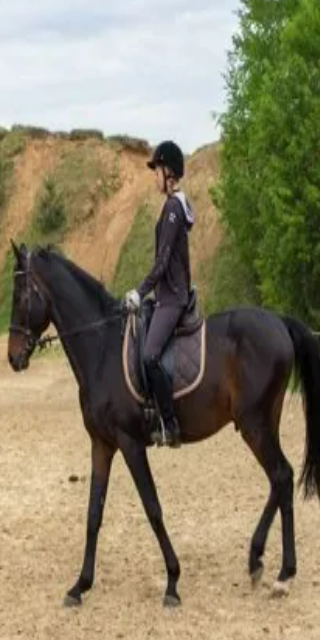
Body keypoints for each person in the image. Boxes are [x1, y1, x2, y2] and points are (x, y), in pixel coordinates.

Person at [124, 140, 195, 448]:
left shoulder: (172, 208)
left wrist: (140, 293)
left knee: (151, 355)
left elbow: (162, 261)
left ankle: (170, 424)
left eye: (157, 170)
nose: (154, 177)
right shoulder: (174, 206)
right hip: (169, 294)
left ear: (169, 173)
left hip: (173, 297)